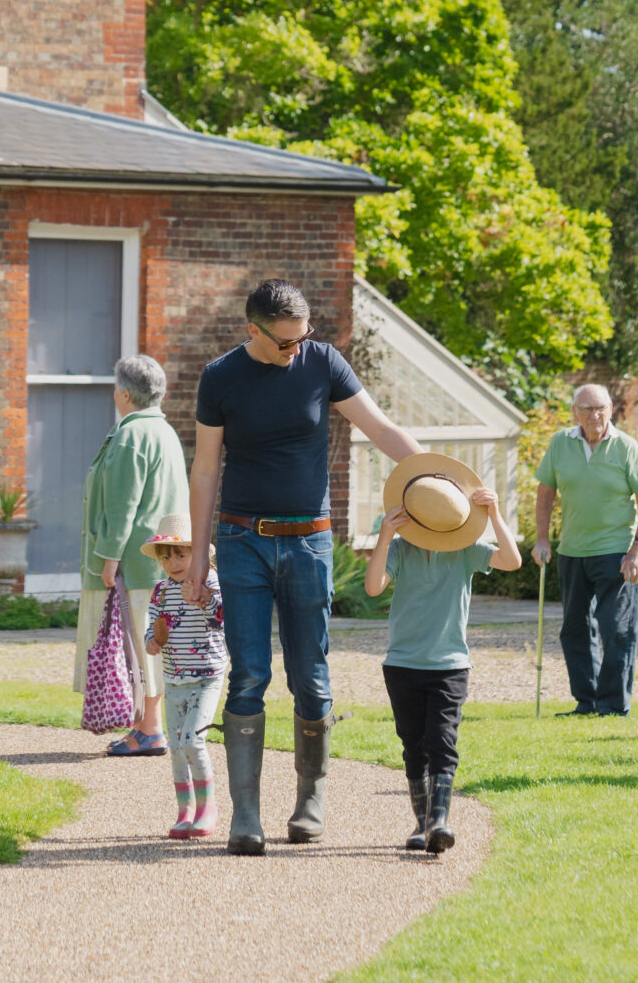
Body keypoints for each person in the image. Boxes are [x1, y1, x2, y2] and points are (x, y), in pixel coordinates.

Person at [184, 278, 426, 855]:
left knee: (311, 678)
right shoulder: (220, 378)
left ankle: (309, 801)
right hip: (241, 541)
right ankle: (246, 813)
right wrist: (198, 557)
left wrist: (440, 474)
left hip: (310, 544)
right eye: (286, 342)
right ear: (254, 331)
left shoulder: (322, 362)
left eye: (304, 337)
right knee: (247, 675)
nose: (297, 349)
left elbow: (382, 428)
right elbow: (206, 469)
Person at [366, 454, 522, 855]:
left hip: (450, 665)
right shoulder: (400, 549)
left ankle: (439, 822)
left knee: (442, 742)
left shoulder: (467, 550)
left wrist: (496, 516)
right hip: (401, 664)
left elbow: (512, 560)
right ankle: (422, 825)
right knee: (413, 745)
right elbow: (373, 586)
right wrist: (384, 537)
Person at [74, 353, 186, 757]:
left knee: (135, 646)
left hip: (132, 563)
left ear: (123, 393)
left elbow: (122, 504)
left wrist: (107, 557)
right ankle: (147, 727)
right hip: (157, 560)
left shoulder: (130, 435)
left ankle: (150, 730)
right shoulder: (165, 432)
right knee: (146, 644)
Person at [531, 383, 638, 717]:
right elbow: (545, 493)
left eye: (600, 407)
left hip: (616, 553)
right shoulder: (561, 443)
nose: (594, 415)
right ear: (575, 412)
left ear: (611, 408)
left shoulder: (626, 447)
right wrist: (542, 539)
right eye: (586, 409)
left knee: (616, 628)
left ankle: (613, 705)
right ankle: (586, 703)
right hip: (571, 551)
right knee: (574, 629)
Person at [139, 514, 227, 839]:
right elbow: (153, 625)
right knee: (176, 747)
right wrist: (151, 640)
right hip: (173, 678)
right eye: (166, 557)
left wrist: (202, 599)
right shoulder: (160, 591)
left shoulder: (211, 582)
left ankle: (208, 809)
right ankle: (185, 810)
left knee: (193, 740)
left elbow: (221, 619)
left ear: (198, 553)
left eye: (181, 554)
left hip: (206, 676)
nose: (173, 563)